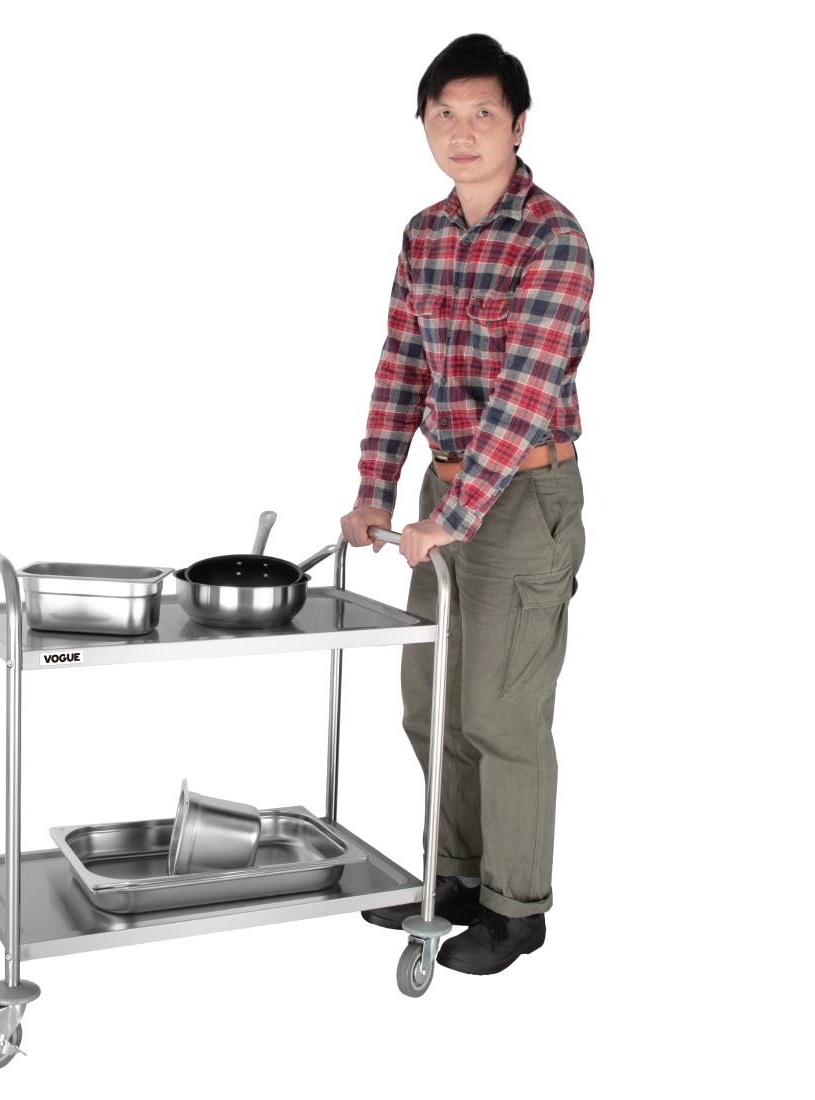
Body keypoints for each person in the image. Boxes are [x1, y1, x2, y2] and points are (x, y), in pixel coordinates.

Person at [340, 33, 593, 977]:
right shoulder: (425, 235)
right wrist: (375, 491)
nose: (462, 131)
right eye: (443, 114)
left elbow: (524, 394)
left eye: (482, 113)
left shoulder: (554, 240)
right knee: (432, 700)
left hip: (525, 492)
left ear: (518, 125)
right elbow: (401, 366)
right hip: (443, 492)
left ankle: (514, 909)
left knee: (501, 710)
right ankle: (451, 879)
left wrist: (454, 514)